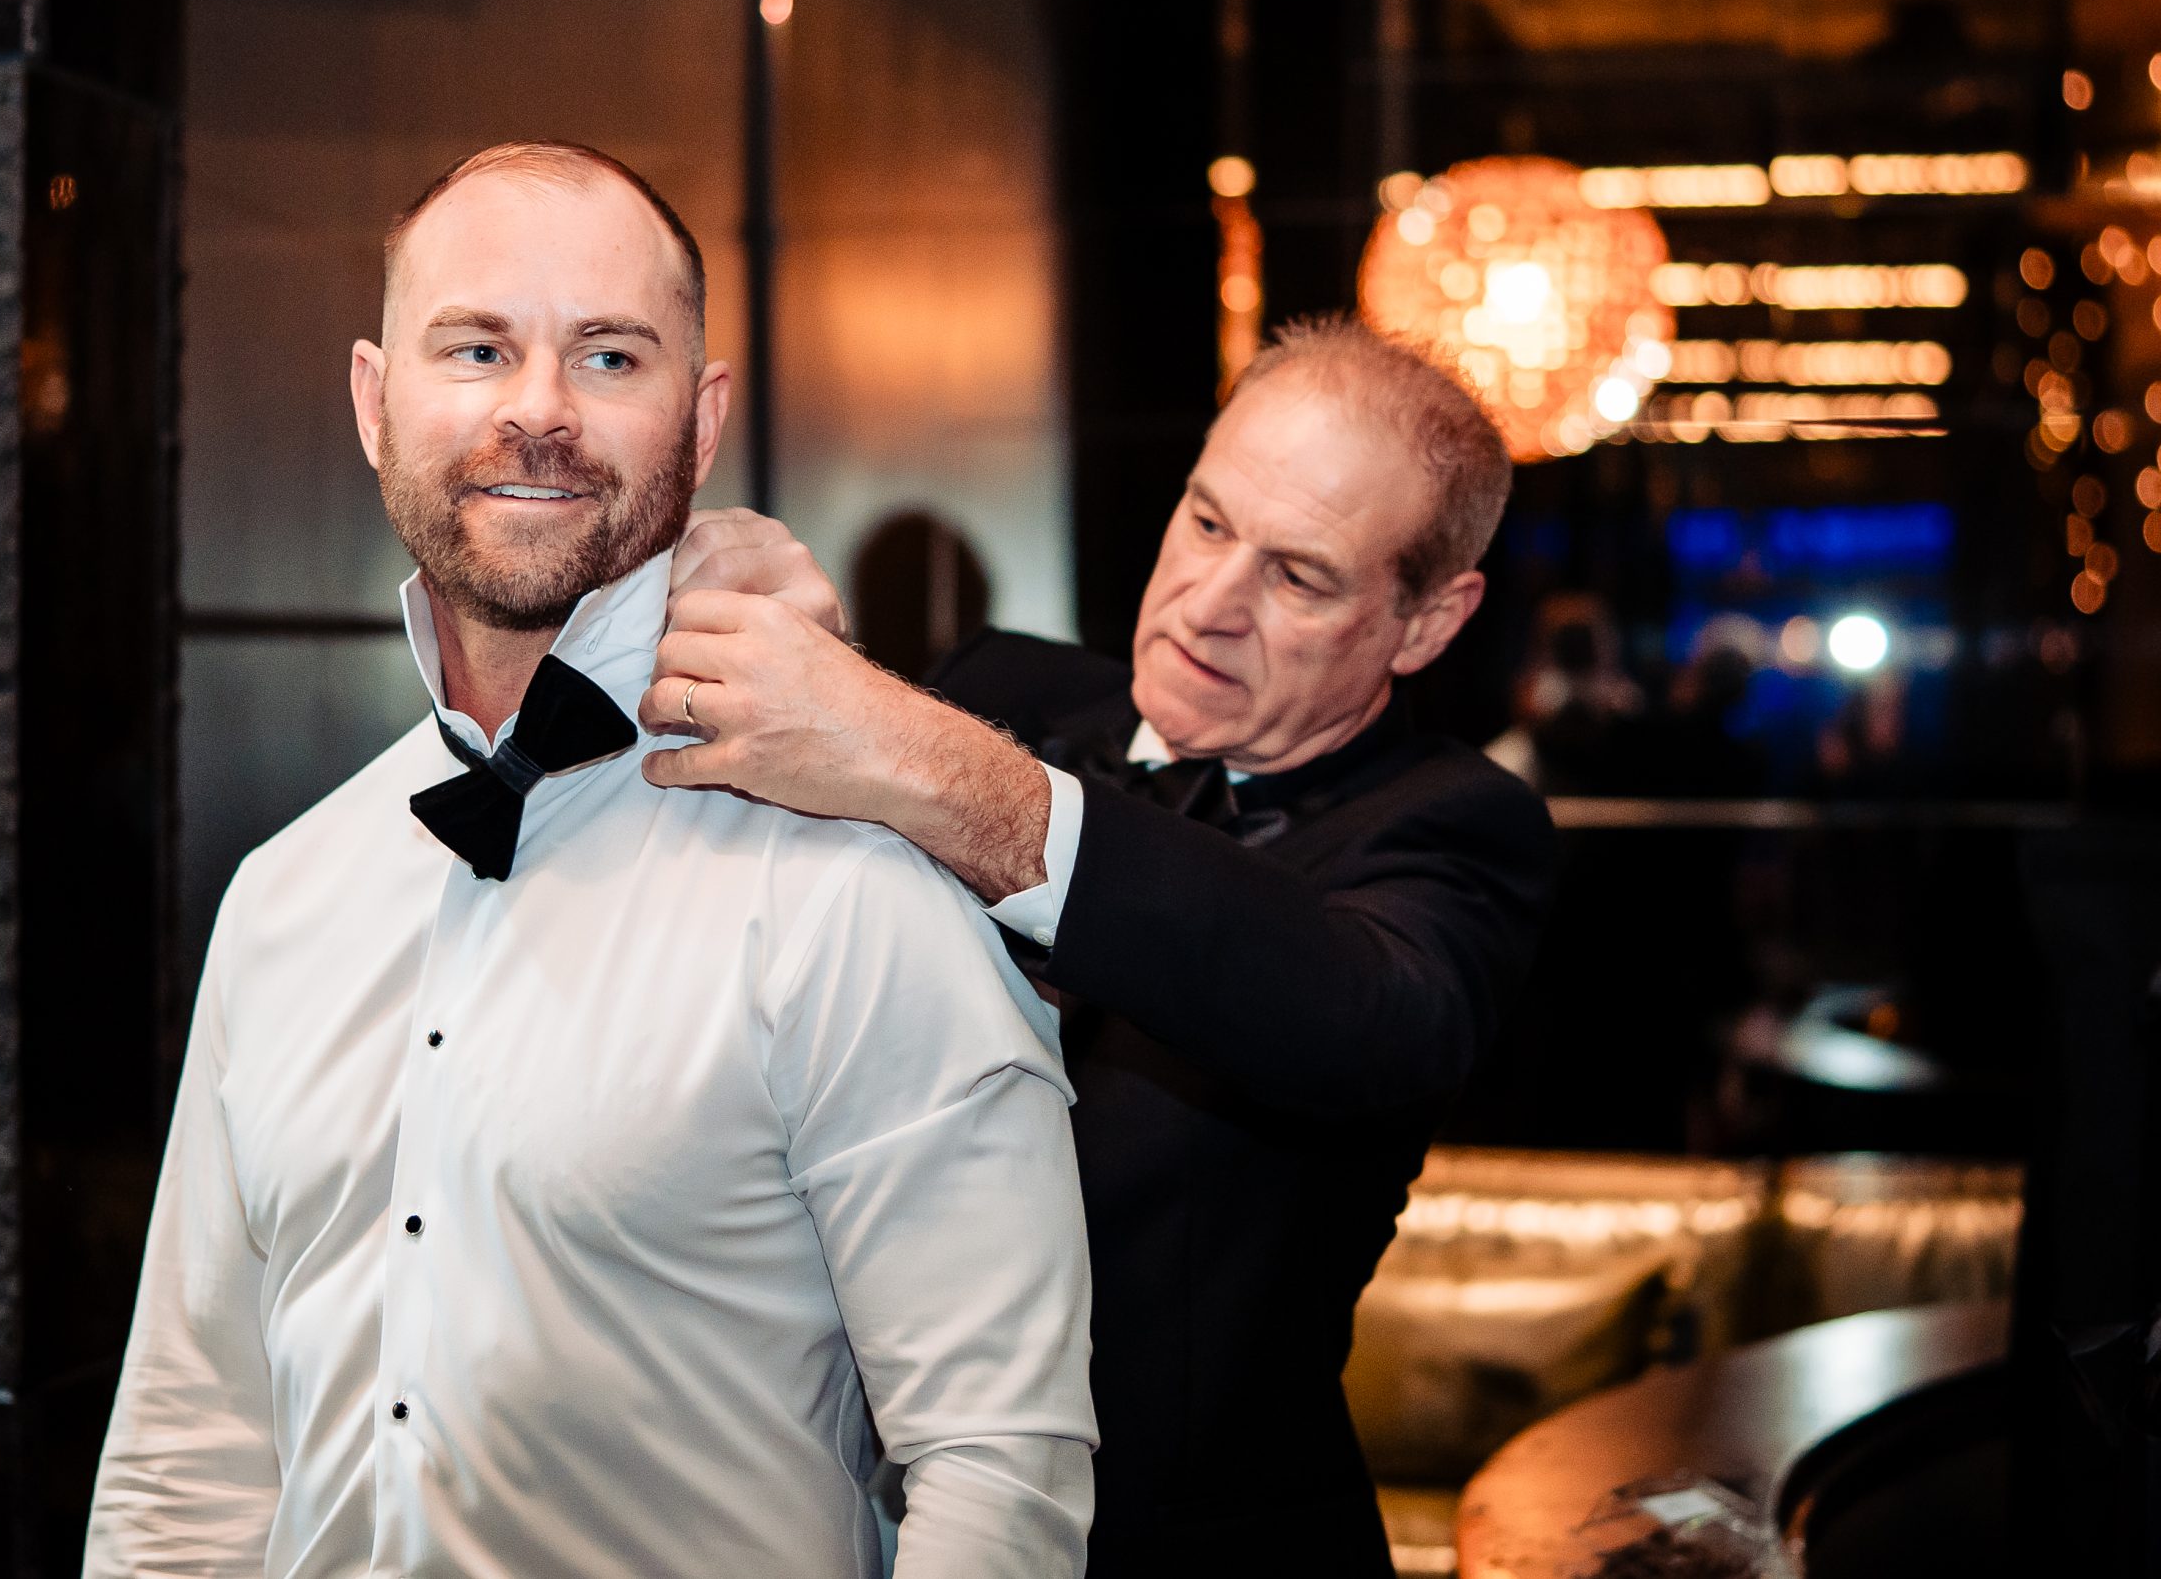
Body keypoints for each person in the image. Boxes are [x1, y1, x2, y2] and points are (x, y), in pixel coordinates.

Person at [85, 142, 1097, 1579]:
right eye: (477, 347)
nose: (539, 409)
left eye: (610, 355)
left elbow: (1001, 1474)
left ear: (703, 415)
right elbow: (190, 1448)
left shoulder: (849, 882)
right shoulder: (282, 893)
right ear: (374, 402)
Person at [645, 315, 1558, 1572]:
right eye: (1207, 521)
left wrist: (947, 777)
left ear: (1427, 622)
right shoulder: (1004, 690)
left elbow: (1360, 1017)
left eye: (1299, 578)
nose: (1210, 604)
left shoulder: (1452, 827)